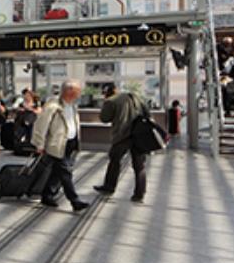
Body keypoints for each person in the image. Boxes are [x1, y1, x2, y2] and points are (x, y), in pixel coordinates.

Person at [31, 80, 90, 212]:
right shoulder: (53, 106)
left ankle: (47, 195)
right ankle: (75, 201)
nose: (79, 94)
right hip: (57, 144)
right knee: (65, 172)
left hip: (70, 143)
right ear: (69, 91)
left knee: (57, 172)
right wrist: (39, 143)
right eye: (77, 91)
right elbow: (41, 125)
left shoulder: (72, 106)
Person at [96, 84, 151, 203]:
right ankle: (139, 194)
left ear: (107, 93)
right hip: (139, 135)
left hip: (122, 136)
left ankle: (109, 187)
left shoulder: (111, 101)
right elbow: (147, 113)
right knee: (139, 166)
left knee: (114, 161)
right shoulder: (136, 96)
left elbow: (104, 119)